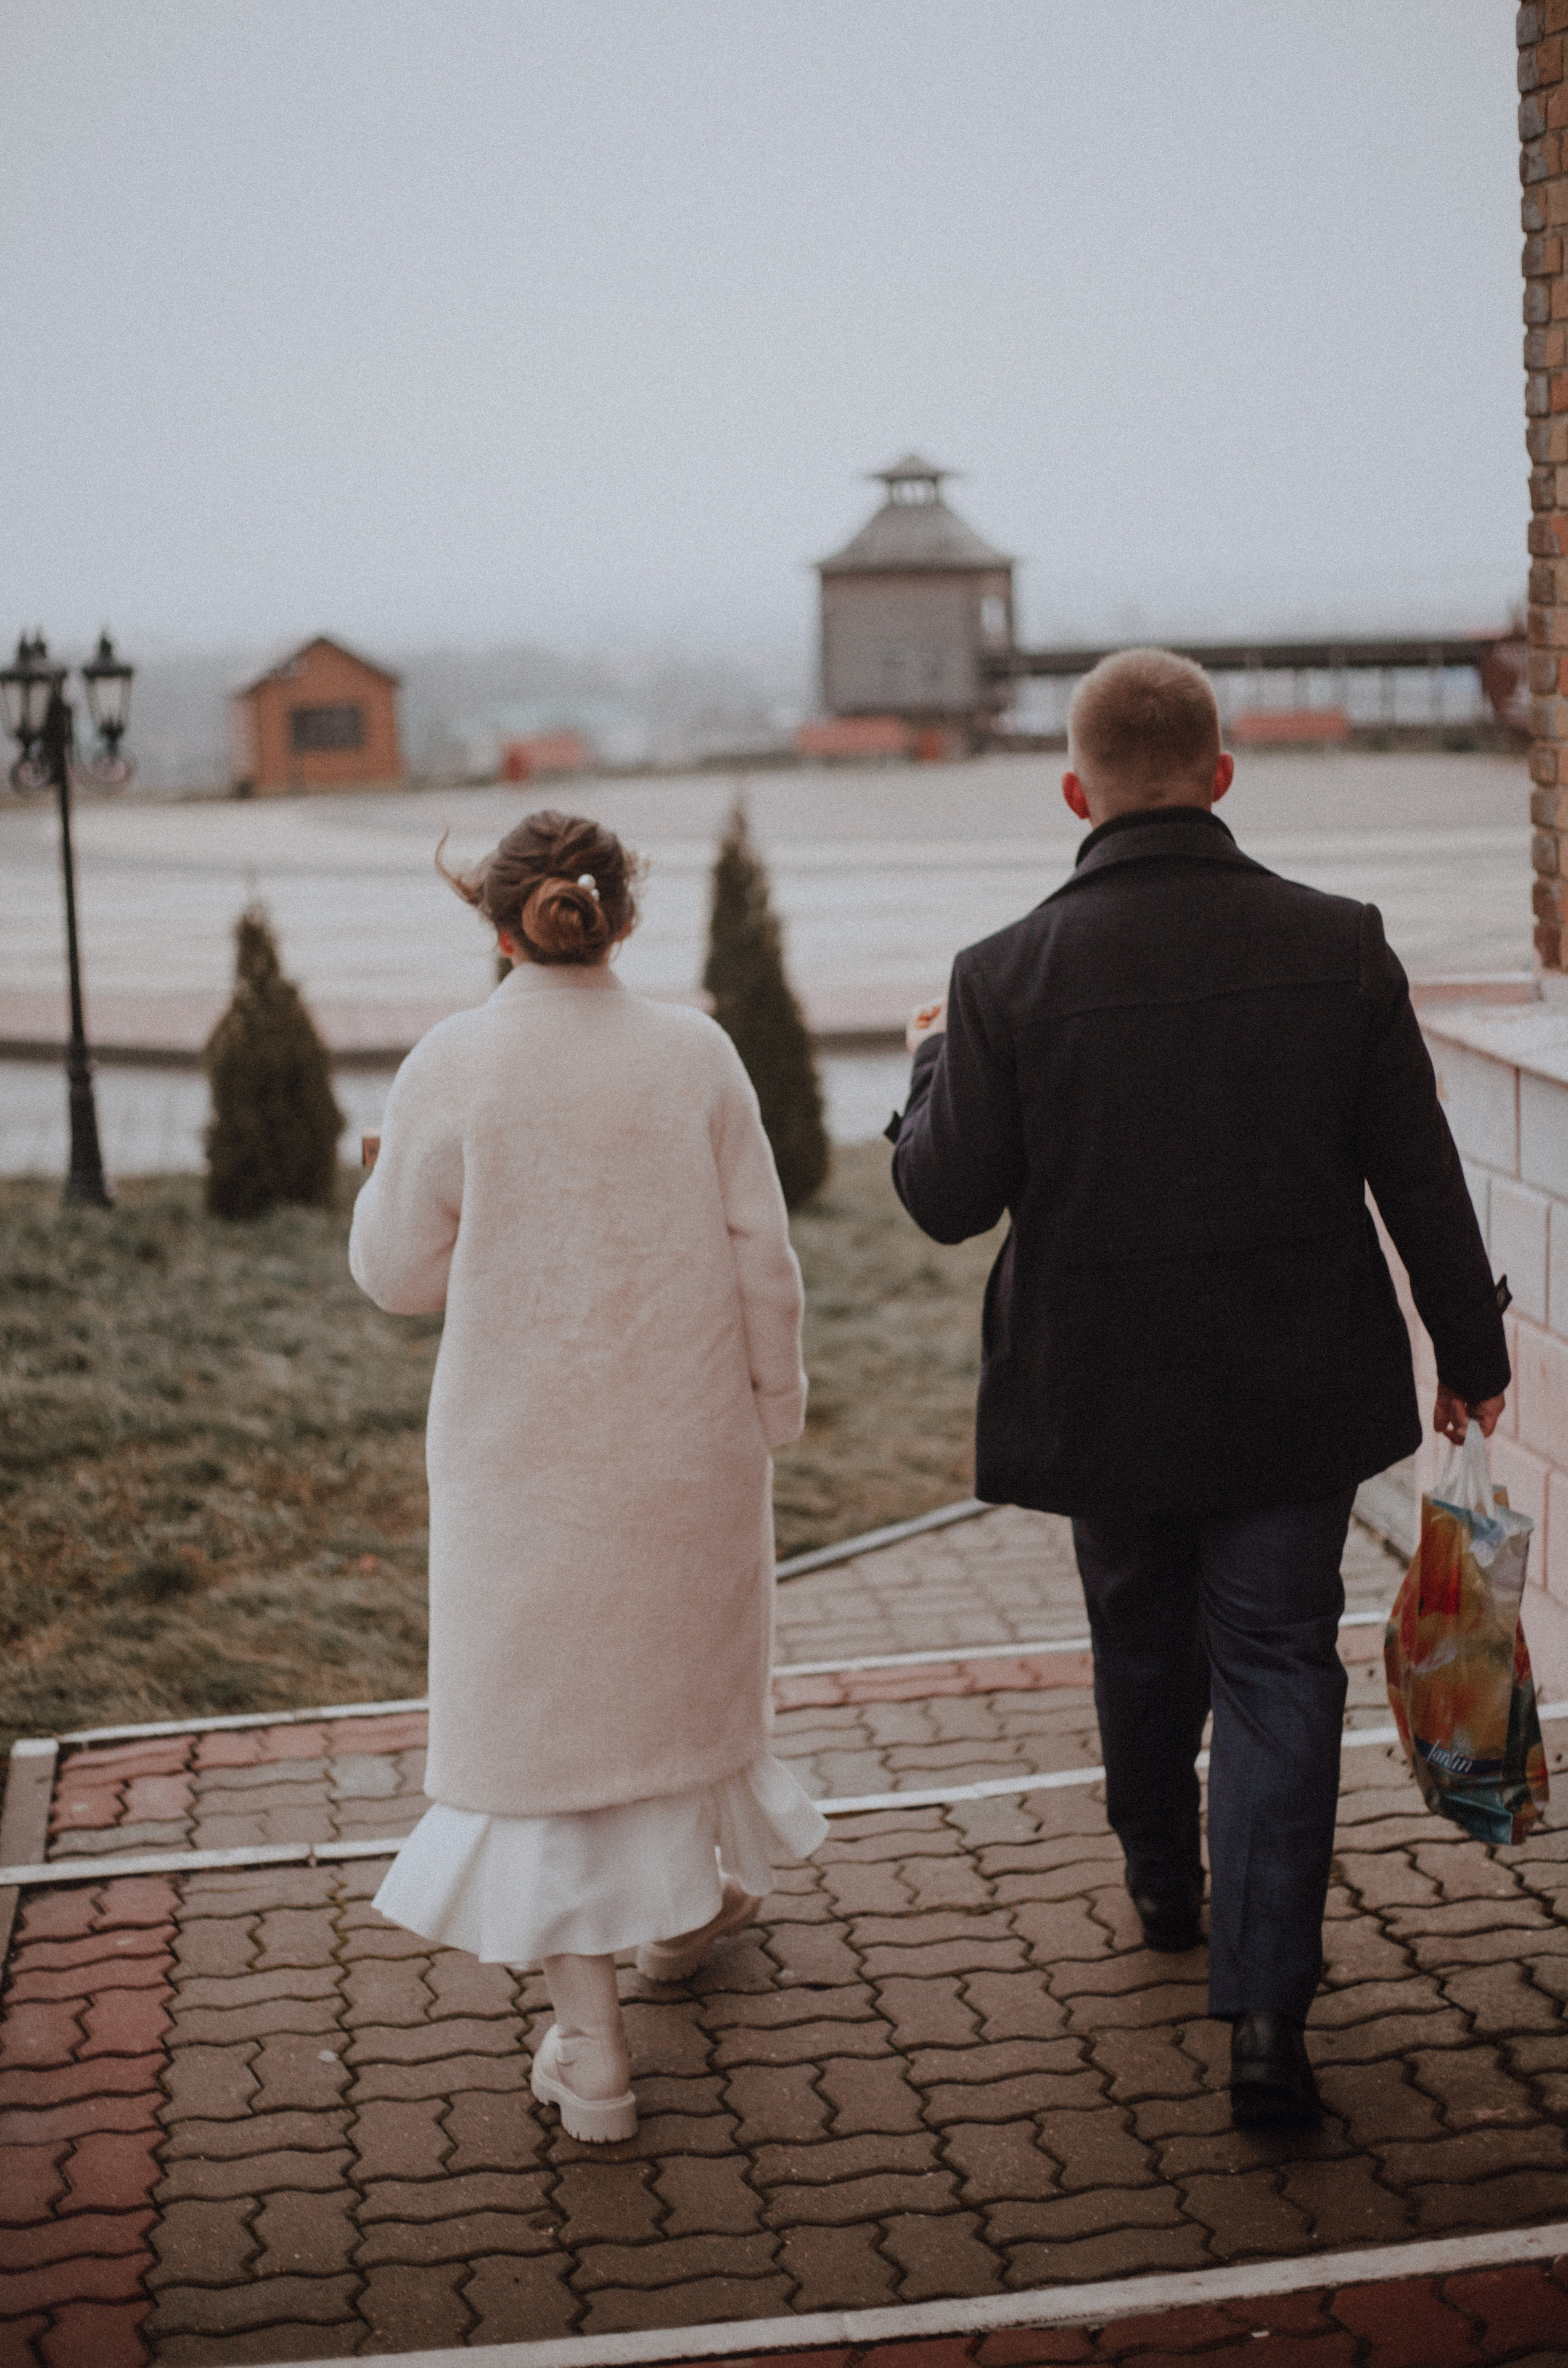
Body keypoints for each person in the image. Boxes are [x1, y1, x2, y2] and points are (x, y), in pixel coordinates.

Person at [889, 649, 1509, 2128]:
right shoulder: (1340, 943)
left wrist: (923, 1071)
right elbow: (1413, 1173)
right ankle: (1266, 2026)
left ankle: (1161, 1883)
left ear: (1071, 791)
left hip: (1099, 1400)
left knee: (1137, 1638)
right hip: (1295, 1392)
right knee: (1280, 1667)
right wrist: (1470, 1359)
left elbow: (940, 1200)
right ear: (1221, 776)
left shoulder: (999, 976)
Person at [350, 809, 826, 2144]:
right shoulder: (696, 1053)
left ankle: (595, 2055)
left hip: (522, 1465)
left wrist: (377, 1182)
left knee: (552, 1747)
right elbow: (763, 1259)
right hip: (685, 1446)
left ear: (495, 923)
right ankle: (701, 1907)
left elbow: (397, 1276)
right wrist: (771, 1410)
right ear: (618, 917)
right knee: (678, 1694)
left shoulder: (454, 1062)